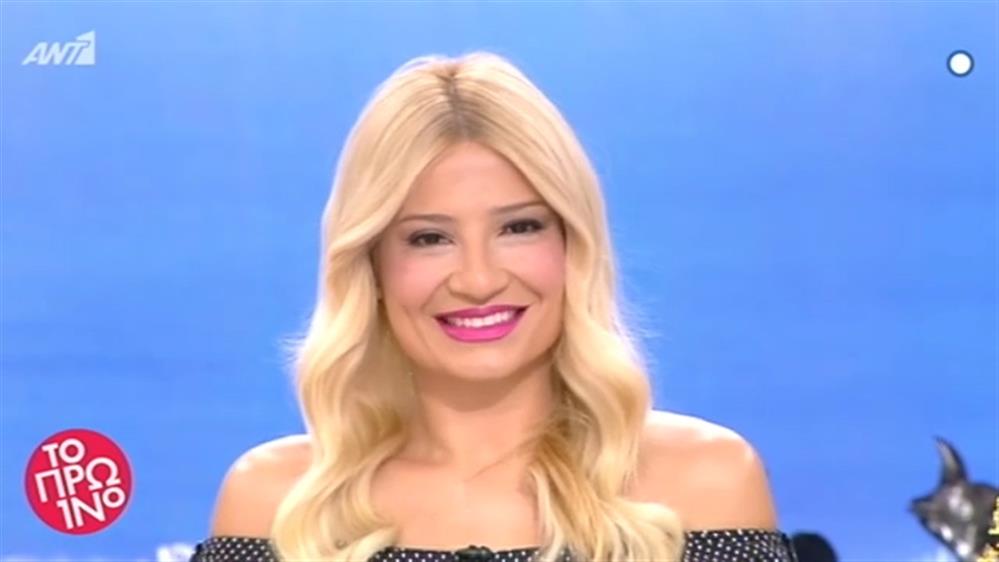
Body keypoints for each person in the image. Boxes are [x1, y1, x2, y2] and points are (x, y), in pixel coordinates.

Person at [189, 51, 799, 562]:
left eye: (520, 228)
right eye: (430, 238)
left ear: (574, 246)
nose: (478, 280)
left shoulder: (705, 484)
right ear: (370, 266)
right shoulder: (276, 504)